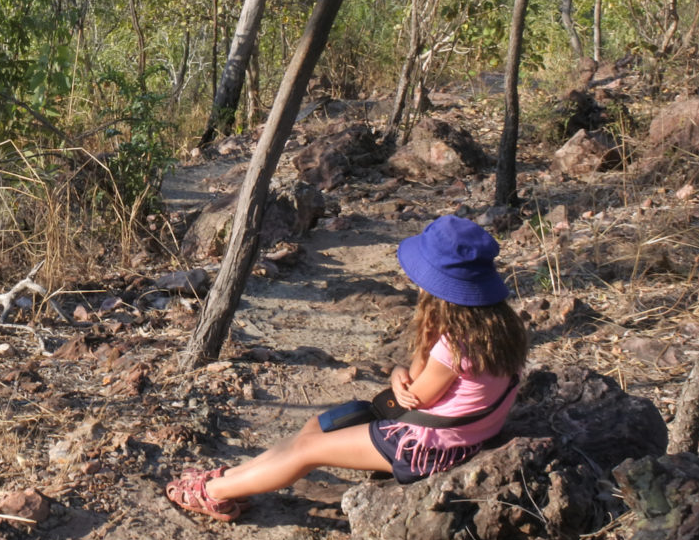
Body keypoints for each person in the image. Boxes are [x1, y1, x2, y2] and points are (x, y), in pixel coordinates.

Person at [165, 215, 529, 522]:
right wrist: (404, 373)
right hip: (460, 434)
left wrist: (407, 363)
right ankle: (235, 478)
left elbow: (416, 395)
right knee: (314, 429)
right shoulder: (501, 328)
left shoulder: (454, 344)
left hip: (428, 447)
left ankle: (213, 491)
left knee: (307, 450)